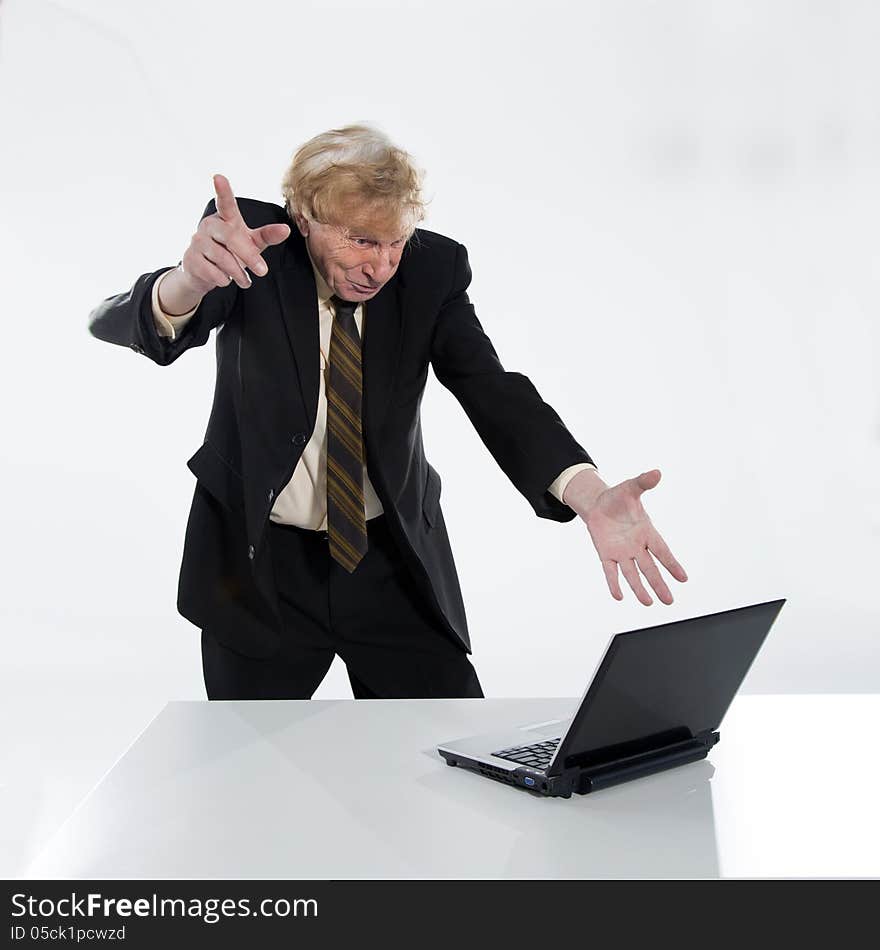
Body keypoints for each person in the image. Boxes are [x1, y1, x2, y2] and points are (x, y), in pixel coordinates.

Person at [88, 123, 687, 701]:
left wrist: (587, 491)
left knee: (444, 753)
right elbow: (116, 320)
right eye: (361, 241)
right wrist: (186, 284)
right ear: (303, 218)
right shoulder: (252, 245)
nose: (381, 266)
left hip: (388, 561)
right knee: (247, 771)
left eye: (396, 241)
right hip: (260, 565)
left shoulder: (433, 271)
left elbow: (490, 388)